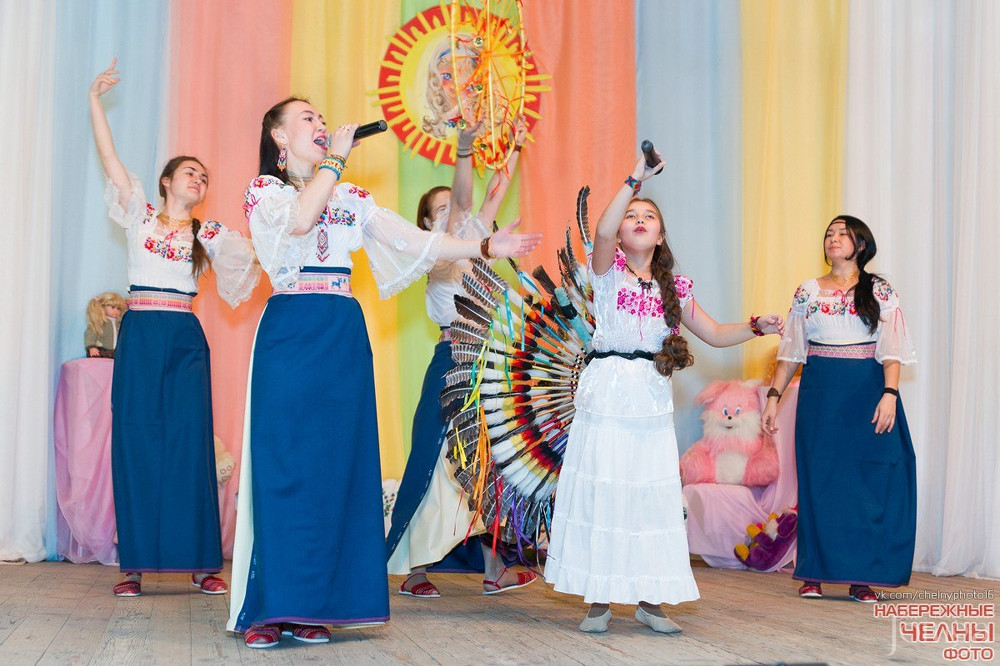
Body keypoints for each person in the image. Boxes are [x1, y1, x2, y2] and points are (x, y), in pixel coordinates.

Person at [227, 97, 541, 649]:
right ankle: (270, 607)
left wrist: (486, 244)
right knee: (284, 465)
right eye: (307, 119)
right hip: (290, 330)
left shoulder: (350, 197)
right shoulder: (266, 193)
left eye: (323, 118)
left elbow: (415, 241)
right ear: (278, 137)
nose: (321, 124)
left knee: (333, 469)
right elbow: (301, 221)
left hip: (341, 331)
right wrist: (335, 162)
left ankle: (314, 606)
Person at [543, 155, 784, 634]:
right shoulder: (607, 270)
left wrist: (756, 326)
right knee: (605, 491)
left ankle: (651, 600)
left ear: (660, 236)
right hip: (606, 392)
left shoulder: (674, 286)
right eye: (633, 214)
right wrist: (635, 179)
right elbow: (605, 228)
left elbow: (714, 333)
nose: (636, 220)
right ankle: (599, 598)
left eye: (648, 217)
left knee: (650, 497)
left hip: (650, 396)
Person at [89, 59, 261, 597]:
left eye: (204, 177)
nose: (198, 179)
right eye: (190, 172)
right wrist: (95, 99)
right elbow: (110, 160)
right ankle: (133, 565)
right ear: (166, 181)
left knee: (190, 444)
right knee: (135, 440)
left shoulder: (207, 232)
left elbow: (253, 254)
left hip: (185, 336)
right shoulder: (139, 217)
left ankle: (202, 562)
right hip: (140, 334)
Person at [387, 117, 537, 597]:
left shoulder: (478, 246)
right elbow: (467, 201)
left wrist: (514, 143)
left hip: (490, 365)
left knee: (488, 463)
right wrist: (465, 150)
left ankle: (494, 568)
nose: (456, 212)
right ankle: (413, 571)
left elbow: (496, 188)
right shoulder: (438, 254)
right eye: (443, 209)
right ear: (429, 222)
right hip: (454, 363)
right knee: (435, 464)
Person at [761, 215, 916, 604]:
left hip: (867, 390)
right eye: (829, 233)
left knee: (866, 485)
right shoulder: (807, 291)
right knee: (819, 481)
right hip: (821, 392)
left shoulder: (879, 289)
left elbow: (892, 349)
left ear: (860, 244)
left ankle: (861, 578)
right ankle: (813, 573)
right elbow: (791, 351)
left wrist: (890, 394)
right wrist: (773, 397)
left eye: (843, 234)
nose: (833, 239)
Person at [85, 292, 127, 358]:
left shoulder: (120, 322)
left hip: (116, 352)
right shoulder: (99, 321)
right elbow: (90, 335)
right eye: (112, 307)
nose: (116, 311)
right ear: (103, 307)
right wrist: (91, 347)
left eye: (118, 308)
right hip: (100, 351)